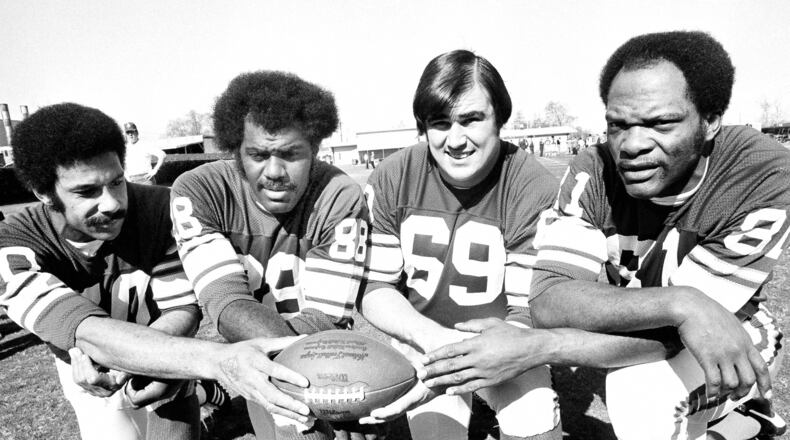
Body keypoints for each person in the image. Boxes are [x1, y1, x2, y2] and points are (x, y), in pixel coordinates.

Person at [420, 31, 789, 440]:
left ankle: (741, 413)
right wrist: (682, 301)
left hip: (737, 333)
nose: (631, 144)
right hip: (646, 328)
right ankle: (745, 423)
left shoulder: (760, 171)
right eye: (617, 125)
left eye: (660, 123)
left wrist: (537, 348)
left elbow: (685, 332)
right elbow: (550, 299)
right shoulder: (593, 169)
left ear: (711, 120)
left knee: (639, 392)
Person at [0, 103, 308, 440]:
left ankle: (199, 394)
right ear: (43, 192)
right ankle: (208, 392)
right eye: (86, 191)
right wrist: (220, 361)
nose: (112, 203)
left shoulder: (161, 209)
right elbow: (84, 330)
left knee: (172, 420)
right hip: (89, 364)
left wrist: (162, 362)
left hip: (172, 347)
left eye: (117, 182)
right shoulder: (15, 243)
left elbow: (181, 307)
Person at [358, 50, 562, 440]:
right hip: (424, 339)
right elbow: (376, 288)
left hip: (504, 343)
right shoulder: (393, 175)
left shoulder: (531, 185)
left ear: (500, 118)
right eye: (440, 123)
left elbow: (530, 307)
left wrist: (483, 354)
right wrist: (438, 343)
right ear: (423, 127)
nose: (455, 140)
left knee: (533, 416)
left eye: (471, 120)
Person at [169, 71, 371, 440]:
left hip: (324, 356)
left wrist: (317, 389)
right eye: (258, 155)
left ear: (315, 148)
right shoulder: (200, 189)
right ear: (235, 151)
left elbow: (325, 319)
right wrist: (299, 394)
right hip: (264, 359)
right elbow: (227, 304)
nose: (275, 172)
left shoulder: (339, 194)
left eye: (291, 154)